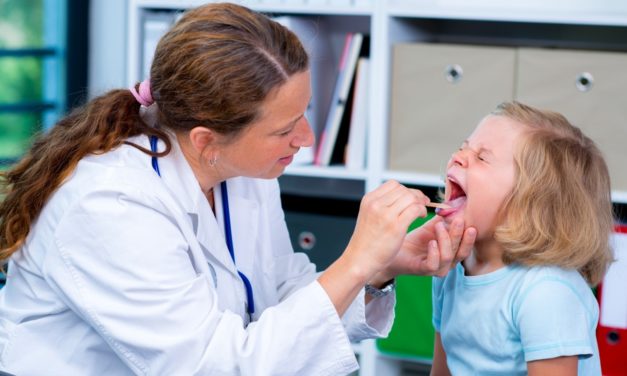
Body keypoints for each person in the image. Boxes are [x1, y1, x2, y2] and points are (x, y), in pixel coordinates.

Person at [0, 3, 476, 375]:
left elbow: (277, 292)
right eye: (285, 128)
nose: (307, 139)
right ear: (208, 141)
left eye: (306, 113)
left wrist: (377, 267)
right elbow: (213, 367)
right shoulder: (110, 206)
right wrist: (354, 261)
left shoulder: (239, 169)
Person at [430, 101, 614, 376]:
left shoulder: (547, 292)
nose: (458, 156)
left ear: (530, 204)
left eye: (482, 157)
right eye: (463, 146)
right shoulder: (451, 269)